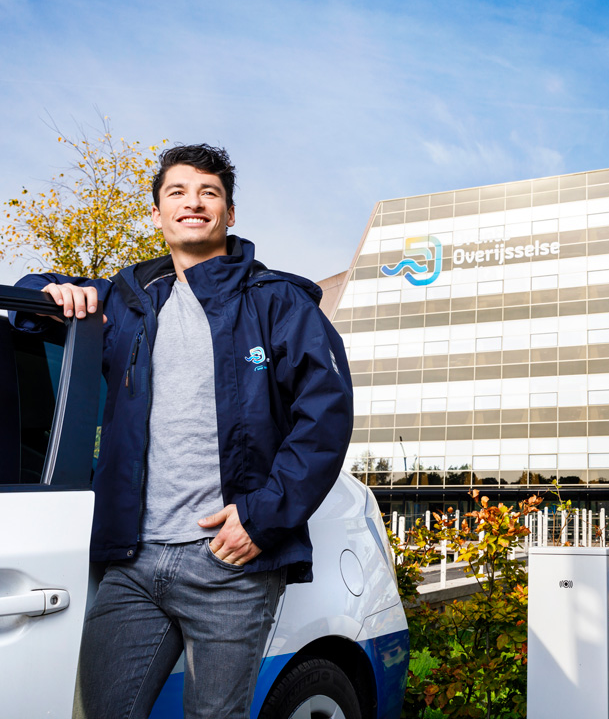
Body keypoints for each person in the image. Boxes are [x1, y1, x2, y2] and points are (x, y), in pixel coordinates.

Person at [12, 144, 353, 719]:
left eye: (209, 192)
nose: (193, 203)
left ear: (229, 212)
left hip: (228, 563)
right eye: (177, 192)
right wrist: (49, 288)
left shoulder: (276, 303)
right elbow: (36, 300)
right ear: (157, 213)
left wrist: (263, 518)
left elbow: (325, 415)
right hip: (132, 561)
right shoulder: (128, 300)